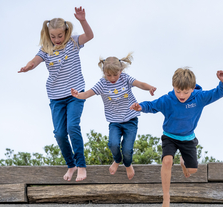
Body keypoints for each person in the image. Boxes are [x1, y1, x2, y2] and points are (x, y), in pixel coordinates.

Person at [131, 68, 223, 207]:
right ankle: (166, 198)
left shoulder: (199, 97)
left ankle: (183, 162)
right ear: (173, 87)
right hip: (169, 136)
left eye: (186, 92)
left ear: (192, 89)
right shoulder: (168, 100)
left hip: (188, 139)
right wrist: (141, 107)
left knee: (192, 171)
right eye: (178, 91)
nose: (181, 95)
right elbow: (152, 105)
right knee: (167, 161)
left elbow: (217, 93)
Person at [19, 7, 93, 182]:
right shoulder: (45, 49)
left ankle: (81, 165)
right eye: (53, 36)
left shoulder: (74, 42)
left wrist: (82, 20)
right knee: (59, 133)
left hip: (75, 93)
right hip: (56, 97)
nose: (57, 39)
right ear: (48, 35)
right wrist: (28, 66)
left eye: (60, 36)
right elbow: (34, 61)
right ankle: (71, 165)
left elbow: (89, 36)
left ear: (66, 32)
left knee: (72, 127)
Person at [71, 53, 156, 180]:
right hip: (114, 122)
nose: (112, 78)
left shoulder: (125, 78)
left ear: (121, 71)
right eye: (108, 75)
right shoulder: (102, 84)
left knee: (127, 149)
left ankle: (127, 164)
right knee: (113, 144)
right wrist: (78, 95)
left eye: (115, 74)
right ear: (104, 73)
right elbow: (88, 93)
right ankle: (117, 160)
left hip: (130, 120)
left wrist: (149, 87)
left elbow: (139, 84)